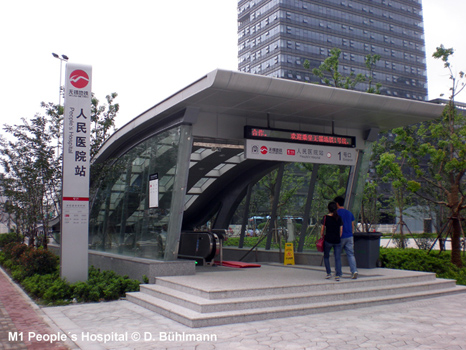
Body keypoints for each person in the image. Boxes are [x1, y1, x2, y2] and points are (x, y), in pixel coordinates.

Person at [334, 196, 358, 279]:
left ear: (337, 204)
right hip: (349, 236)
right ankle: (354, 271)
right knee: (351, 254)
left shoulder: (336, 213)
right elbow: (352, 225)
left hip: (340, 237)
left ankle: (338, 272)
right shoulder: (349, 213)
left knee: (337, 255)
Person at [321, 201, 343, 281]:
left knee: (326, 256)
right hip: (337, 240)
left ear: (328, 209)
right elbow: (341, 231)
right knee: (337, 258)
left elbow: (322, 229)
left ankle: (329, 273)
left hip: (328, 240)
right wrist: (338, 237)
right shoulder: (339, 217)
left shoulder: (325, 217)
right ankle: (337, 275)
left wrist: (322, 236)